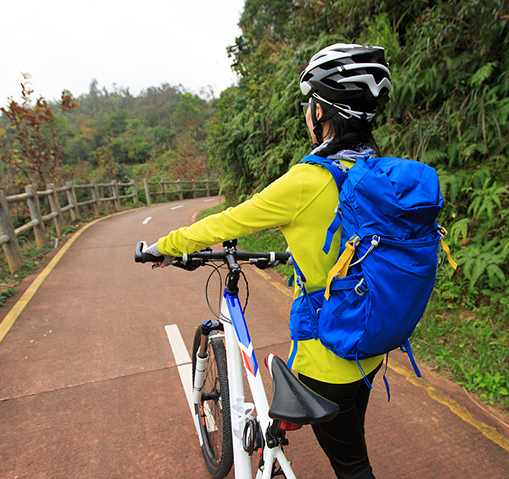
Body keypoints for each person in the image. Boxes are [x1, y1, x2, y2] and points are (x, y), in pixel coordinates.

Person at [144, 43, 392, 479]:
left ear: (322, 113)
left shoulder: (308, 181)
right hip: (369, 346)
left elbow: (227, 222)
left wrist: (165, 245)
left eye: (310, 105)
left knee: (354, 468)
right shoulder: (379, 173)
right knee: (351, 443)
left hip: (326, 356)